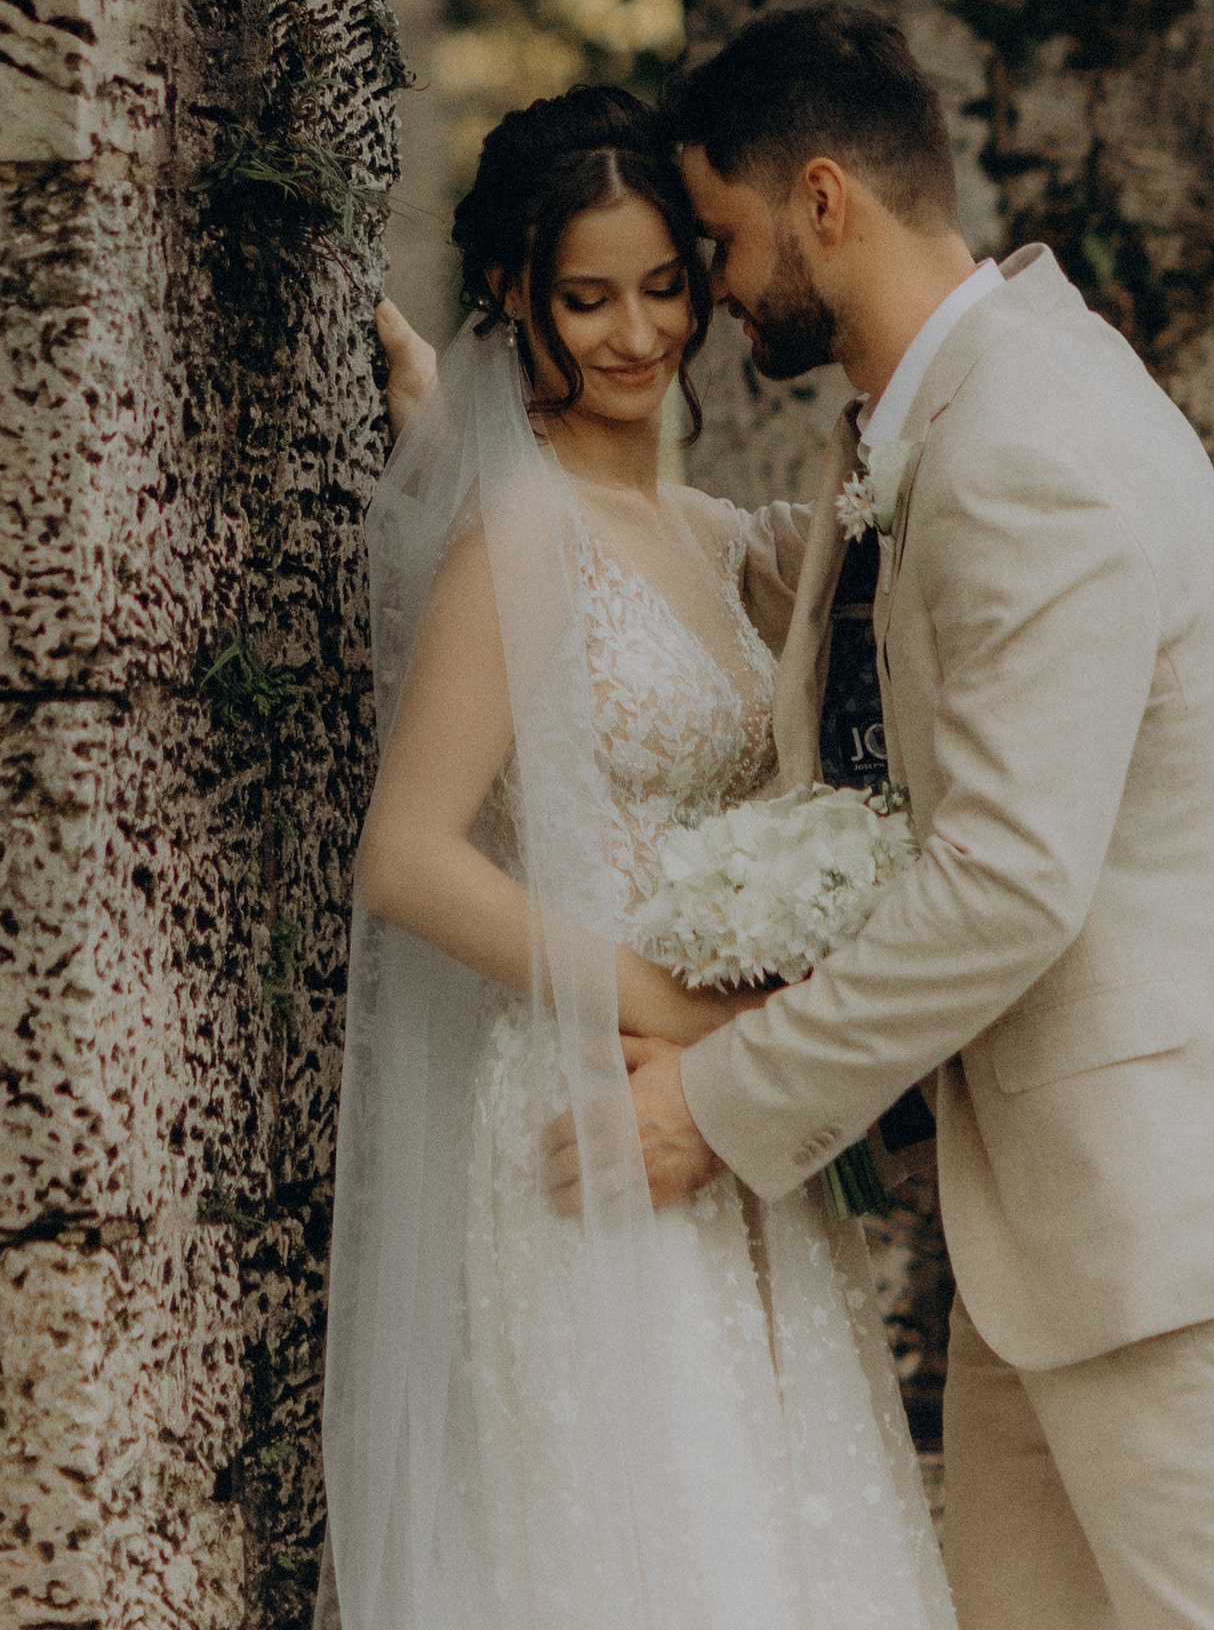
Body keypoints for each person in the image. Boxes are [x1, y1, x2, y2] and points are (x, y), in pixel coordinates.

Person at [640, 1, 1214, 1630]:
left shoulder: (1028, 441)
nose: (715, 286)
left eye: (722, 236)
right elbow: (812, 592)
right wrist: (539, 497)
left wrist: (723, 1104)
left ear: (824, 200)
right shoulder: (957, 413)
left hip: (1159, 1230)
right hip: (1051, 1238)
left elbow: (1009, 882)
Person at [323, 85, 954, 1630]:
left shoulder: (713, 535)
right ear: (513, 301)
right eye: (587, 297)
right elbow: (403, 856)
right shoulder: (517, 535)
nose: (635, 334)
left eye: (666, 286)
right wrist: (660, 1001)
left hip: (720, 1105)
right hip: (579, 1094)